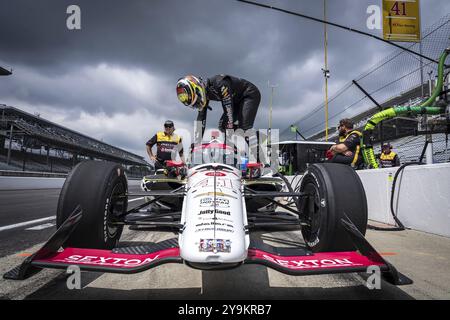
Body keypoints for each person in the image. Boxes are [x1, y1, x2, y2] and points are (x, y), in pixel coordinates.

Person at [176, 74, 261, 138]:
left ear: (198, 90)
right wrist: (197, 143)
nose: (198, 104)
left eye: (197, 101)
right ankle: (258, 137)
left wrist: (228, 145)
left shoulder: (220, 83)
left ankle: (258, 156)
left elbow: (228, 111)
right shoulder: (203, 93)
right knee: (222, 126)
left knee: (244, 128)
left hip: (249, 94)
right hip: (236, 101)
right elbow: (201, 119)